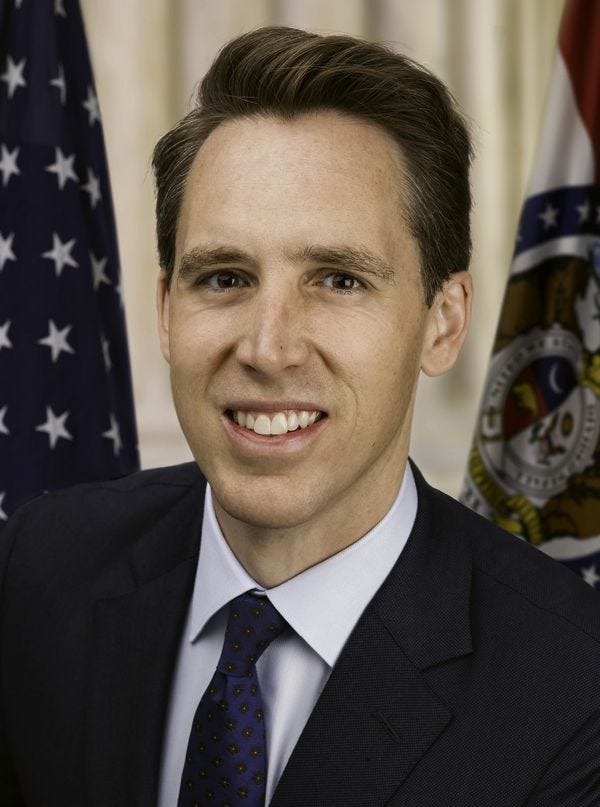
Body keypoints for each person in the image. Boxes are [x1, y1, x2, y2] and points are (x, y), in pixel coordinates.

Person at [1, 25, 600, 807]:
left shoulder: (572, 686)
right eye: (224, 277)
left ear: (442, 322)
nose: (268, 347)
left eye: (339, 280)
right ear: (166, 311)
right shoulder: (37, 571)